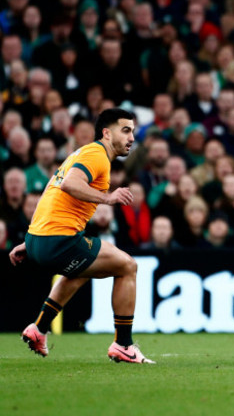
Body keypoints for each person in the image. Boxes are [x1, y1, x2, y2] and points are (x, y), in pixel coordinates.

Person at [8, 108, 155, 364]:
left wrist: (31, 239)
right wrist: (108, 198)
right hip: (58, 239)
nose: (132, 137)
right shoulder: (96, 155)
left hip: (41, 237)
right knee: (128, 267)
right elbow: (69, 185)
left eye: (133, 131)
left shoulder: (84, 154)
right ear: (107, 133)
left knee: (81, 270)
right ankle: (123, 344)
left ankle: (38, 329)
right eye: (126, 130)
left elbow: (52, 189)